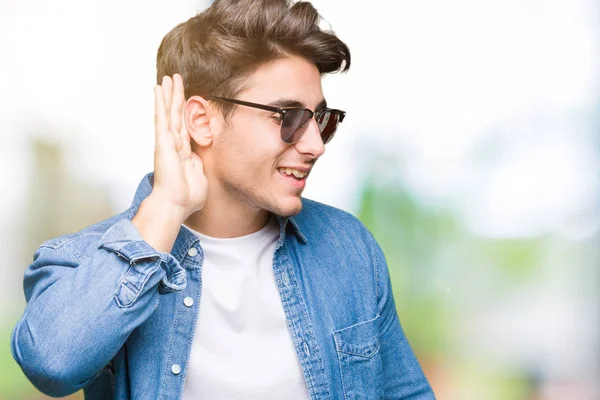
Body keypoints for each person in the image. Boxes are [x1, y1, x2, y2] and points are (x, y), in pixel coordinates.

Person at [11, 0, 435, 399]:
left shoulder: (348, 249)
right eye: (289, 118)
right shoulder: (82, 261)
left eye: (322, 119)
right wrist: (167, 206)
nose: (315, 145)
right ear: (201, 120)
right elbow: (51, 364)